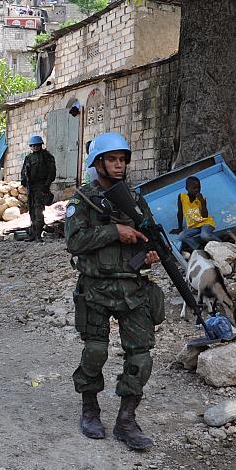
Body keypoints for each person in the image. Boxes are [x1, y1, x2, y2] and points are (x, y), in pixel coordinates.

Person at [65, 132, 163, 451]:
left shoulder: (135, 199)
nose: (118, 165)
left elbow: (148, 235)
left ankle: (126, 420)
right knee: (95, 352)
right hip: (96, 287)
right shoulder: (83, 200)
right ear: (98, 163)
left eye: (122, 160)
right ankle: (90, 409)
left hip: (133, 288)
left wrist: (150, 254)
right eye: (112, 159)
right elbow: (74, 242)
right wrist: (113, 231)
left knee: (141, 357)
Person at [20, 134, 57, 241]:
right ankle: (33, 233)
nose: (35, 147)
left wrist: (46, 185)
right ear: (30, 146)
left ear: (40, 145)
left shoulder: (46, 156)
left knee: (38, 211)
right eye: (33, 145)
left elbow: (52, 172)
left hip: (41, 186)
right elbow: (24, 171)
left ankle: (38, 234)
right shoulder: (28, 158)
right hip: (31, 187)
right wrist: (24, 182)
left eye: (37, 145)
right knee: (31, 210)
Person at [170, 176, 219, 251]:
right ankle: (199, 248)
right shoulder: (182, 197)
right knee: (181, 236)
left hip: (205, 223)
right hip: (193, 226)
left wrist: (202, 202)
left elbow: (204, 216)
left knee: (204, 236)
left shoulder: (201, 198)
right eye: (194, 188)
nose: (197, 190)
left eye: (199, 187)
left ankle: (220, 243)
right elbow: (180, 213)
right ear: (187, 188)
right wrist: (179, 228)